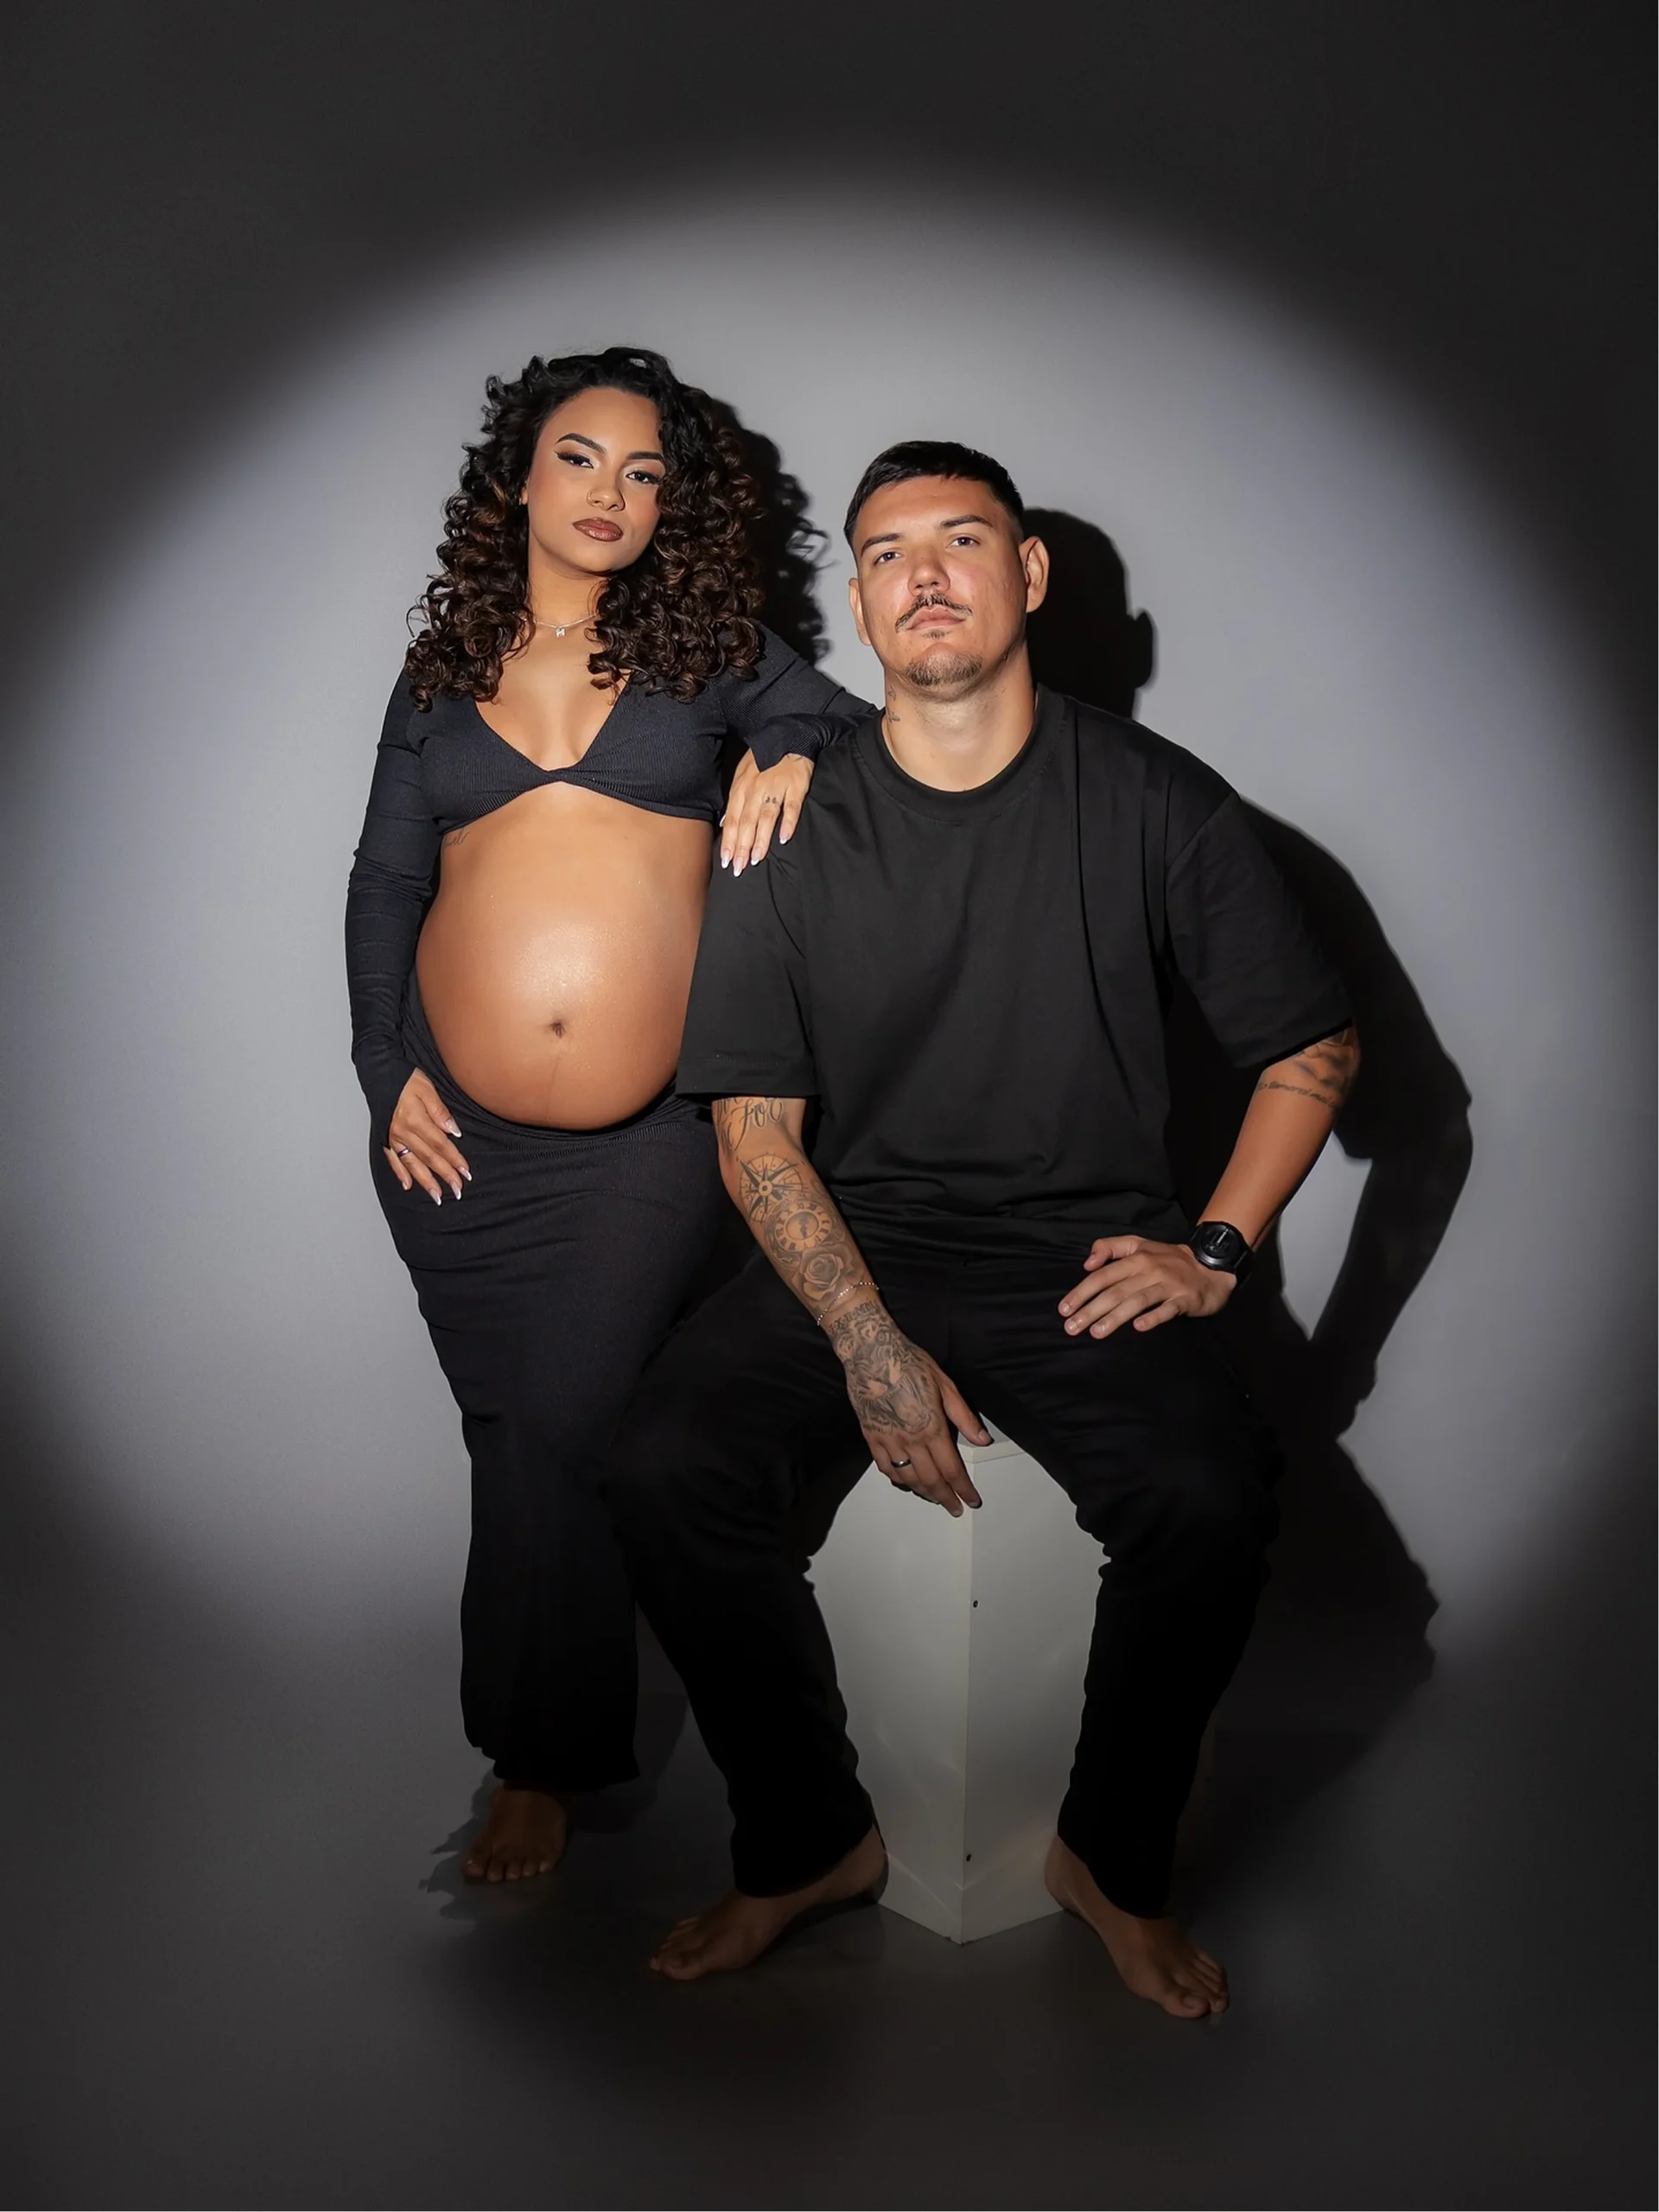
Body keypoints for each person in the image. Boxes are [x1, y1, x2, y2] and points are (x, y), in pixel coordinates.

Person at [604, 440, 1359, 2017]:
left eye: (962, 540)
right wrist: (865, 1342)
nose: (925, 575)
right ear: (860, 603)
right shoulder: (787, 825)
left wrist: (1216, 1250)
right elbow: (754, 1133)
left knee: (1210, 1497)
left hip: (1078, 1254)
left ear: (1029, 576)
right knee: (662, 1466)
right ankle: (806, 1840)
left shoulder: (1155, 800)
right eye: (887, 553)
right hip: (851, 1237)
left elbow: (1313, 1050)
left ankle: (1111, 1859)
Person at [345, 346, 867, 1883]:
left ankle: (539, 1762)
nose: (609, 494)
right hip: (454, 1136)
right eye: (579, 457)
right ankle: (541, 1743)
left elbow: (859, 732)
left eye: (644, 473)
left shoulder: (712, 648)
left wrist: (785, 741)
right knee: (516, 1433)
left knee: (561, 1422)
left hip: (651, 1139)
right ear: (519, 478)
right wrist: (384, 1069)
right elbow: (386, 880)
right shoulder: (441, 669)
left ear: (669, 506)